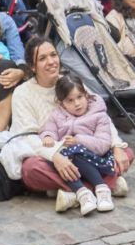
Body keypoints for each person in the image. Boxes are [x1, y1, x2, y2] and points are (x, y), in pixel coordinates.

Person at [37, 73, 121, 214]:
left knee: (75, 152)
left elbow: (103, 144)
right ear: (61, 102)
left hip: (96, 160)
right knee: (52, 159)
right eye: (70, 100)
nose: (77, 103)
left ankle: (101, 189)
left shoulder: (99, 115)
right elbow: (49, 129)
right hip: (68, 164)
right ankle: (83, 194)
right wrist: (48, 136)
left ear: (86, 95)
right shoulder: (57, 115)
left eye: (79, 97)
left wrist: (79, 140)